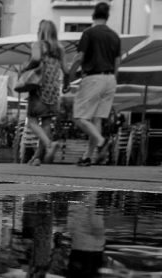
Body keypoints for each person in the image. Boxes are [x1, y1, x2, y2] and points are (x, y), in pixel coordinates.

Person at [68, 2, 121, 167]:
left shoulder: (89, 33)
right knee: (96, 119)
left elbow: (79, 57)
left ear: (93, 15)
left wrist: (69, 77)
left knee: (79, 117)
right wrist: (113, 78)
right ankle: (88, 157)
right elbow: (118, 62)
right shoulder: (114, 36)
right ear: (107, 17)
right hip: (110, 78)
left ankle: (101, 141)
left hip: (93, 77)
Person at [24, 20, 68, 166]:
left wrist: (26, 68)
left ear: (41, 31)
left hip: (39, 88)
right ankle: (37, 158)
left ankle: (49, 144)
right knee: (47, 122)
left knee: (32, 121)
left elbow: (36, 59)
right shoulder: (60, 49)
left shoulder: (38, 45)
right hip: (54, 91)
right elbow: (66, 70)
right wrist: (66, 85)